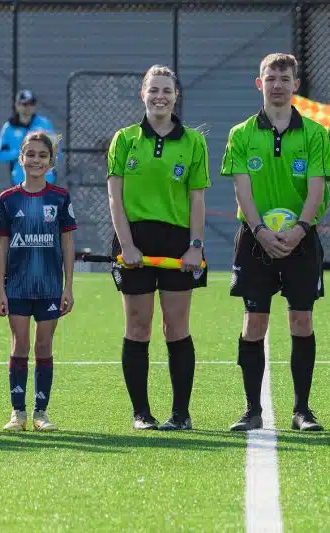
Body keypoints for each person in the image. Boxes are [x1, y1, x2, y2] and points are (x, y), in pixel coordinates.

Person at [222, 53, 330, 432]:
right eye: (270, 78)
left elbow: (316, 190)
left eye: (284, 79)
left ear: (295, 85)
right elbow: (243, 191)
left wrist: (299, 230)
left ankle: (302, 410)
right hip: (256, 241)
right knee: (254, 321)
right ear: (259, 84)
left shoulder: (316, 134)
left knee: (301, 320)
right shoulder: (240, 134)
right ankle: (251, 410)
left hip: (301, 241)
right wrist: (261, 233)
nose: (277, 85)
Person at [107, 65, 209, 431]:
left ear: (176, 94)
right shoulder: (124, 139)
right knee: (138, 326)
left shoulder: (193, 141)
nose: (160, 96)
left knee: (176, 326)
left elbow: (197, 200)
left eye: (167, 90)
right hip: (134, 241)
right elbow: (115, 198)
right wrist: (126, 244)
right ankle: (142, 414)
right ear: (142, 93)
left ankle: (180, 414)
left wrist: (195, 246)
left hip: (176, 242)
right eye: (154, 90)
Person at [0, 132, 76, 432]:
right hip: (16, 286)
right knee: (20, 345)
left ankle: (40, 413)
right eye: (30, 154)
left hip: (50, 287)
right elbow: (0, 246)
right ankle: (17, 413)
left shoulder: (59, 197)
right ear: (21, 158)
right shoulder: (8, 199)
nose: (36, 160)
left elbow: (67, 244)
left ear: (51, 161)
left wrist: (68, 287)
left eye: (42, 155)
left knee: (44, 345)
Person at [0, 90, 56, 186]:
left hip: (45, 180)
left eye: (31, 104)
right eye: (25, 104)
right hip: (20, 181)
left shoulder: (44, 124)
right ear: (17, 105)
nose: (28, 107)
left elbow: (56, 150)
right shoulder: (9, 127)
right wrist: (20, 153)